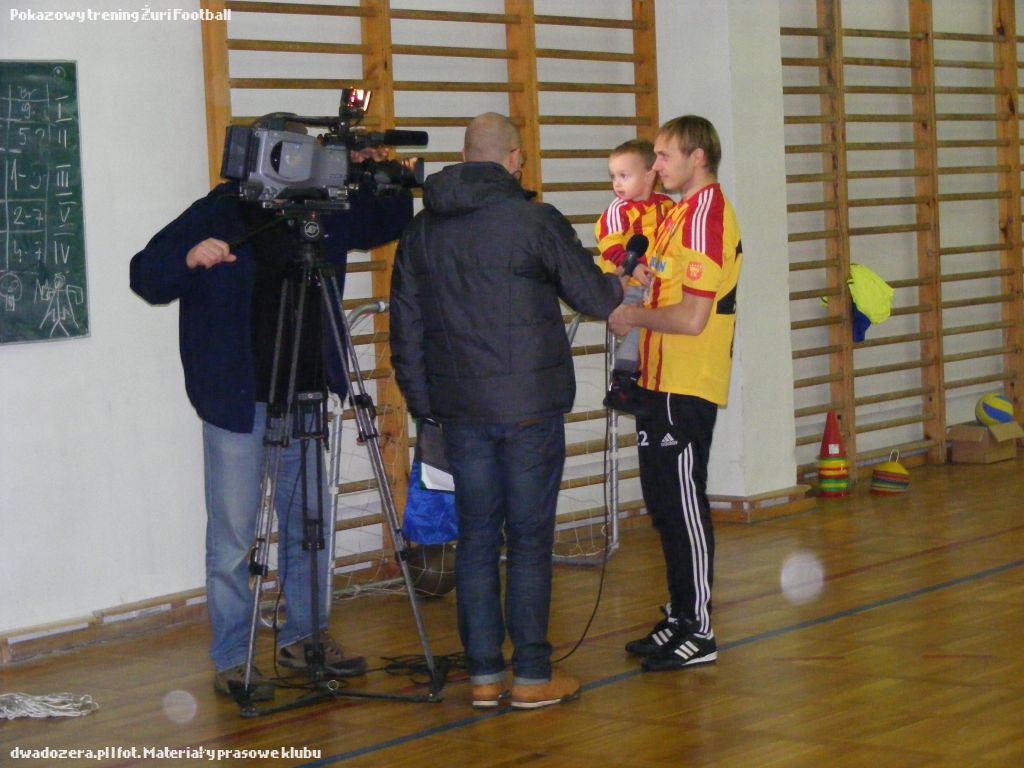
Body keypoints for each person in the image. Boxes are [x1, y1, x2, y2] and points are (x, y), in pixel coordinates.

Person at [129, 147, 413, 701]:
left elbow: (386, 223)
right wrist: (190, 256)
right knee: (234, 539)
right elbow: (146, 275)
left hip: (304, 394)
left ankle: (305, 638)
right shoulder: (221, 209)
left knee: (309, 528)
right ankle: (233, 659)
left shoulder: (322, 210)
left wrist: (387, 178)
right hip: (238, 403)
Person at [389, 112, 624, 710]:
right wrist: (622, 281)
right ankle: (533, 677)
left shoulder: (421, 231)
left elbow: (405, 332)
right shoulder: (534, 220)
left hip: (459, 412)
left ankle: (485, 676)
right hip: (530, 410)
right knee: (527, 540)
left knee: (474, 540)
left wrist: (427, 409)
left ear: (465, 154)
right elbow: (593, 296)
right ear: (515, 159)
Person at [608, 115, 742, 672]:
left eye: (664, 156)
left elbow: (691, 318)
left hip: (686, 383)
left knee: (684, 505)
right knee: (663, 504)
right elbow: (656, 283)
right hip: (656, 380)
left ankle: (698, 629)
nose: (656, 165)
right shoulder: (677, 215)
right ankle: (679, 613)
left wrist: (632, 316)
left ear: (697, 157)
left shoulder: (707, 215)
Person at [594, 139, 675, 415]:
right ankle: (623, 381)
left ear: (650, 174)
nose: (617, 183)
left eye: (624, 175)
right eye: (613, 176)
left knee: (661, 328)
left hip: (655, 284)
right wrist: (635, 265)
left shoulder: (667, 206)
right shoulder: (618, 209)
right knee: (636, 326)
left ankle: (647, 380)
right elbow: (610, 243)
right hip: (626, 284)